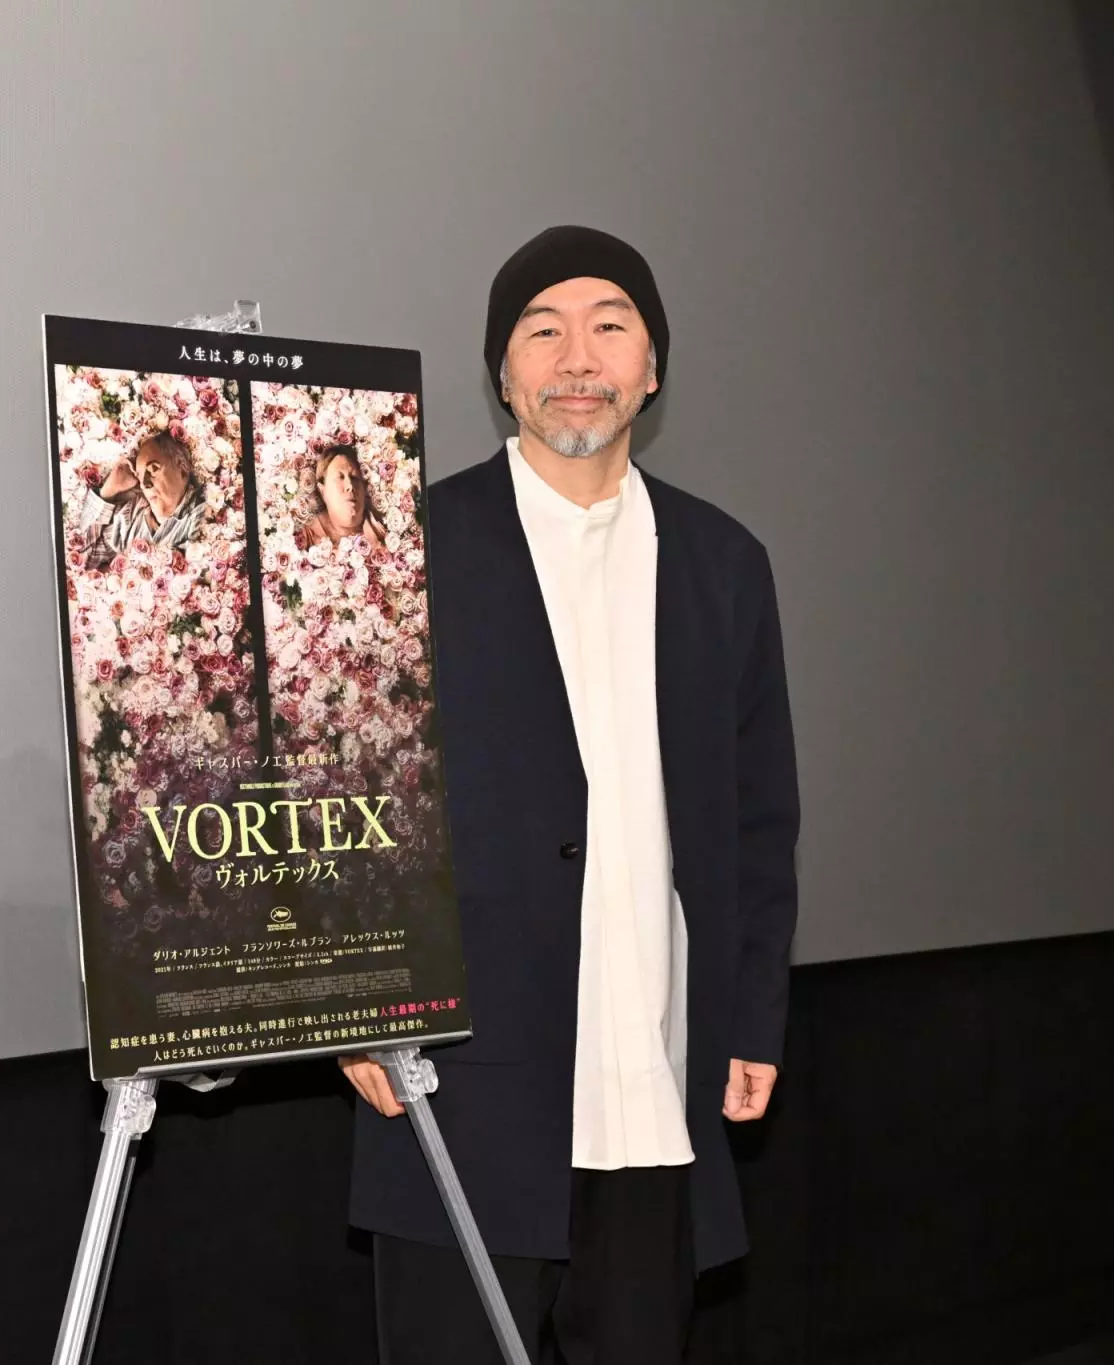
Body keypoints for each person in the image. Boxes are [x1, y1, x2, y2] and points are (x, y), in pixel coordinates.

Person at [341, 225, 800, 1364]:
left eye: (610, 325)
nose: (577, 356)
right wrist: (351, 1008)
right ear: (502, 375)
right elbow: (342, 795)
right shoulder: (405, 549)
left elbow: (760, 818)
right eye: (542, 330)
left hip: (655, 1079)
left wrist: (752, 1014)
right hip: (458, 1084)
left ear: (652, 366)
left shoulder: (723, 563)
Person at [81, 429, 207, 570]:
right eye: (140, 477)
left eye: (153, 469)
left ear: (182, 468)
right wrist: (109, 490)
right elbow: (84, 558)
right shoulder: (130, 516)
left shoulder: (204, 516)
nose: (145, 485)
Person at [294, 444, 387, 552]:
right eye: (340, 477)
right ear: (322, 490)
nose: (350, 486)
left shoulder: (382, 534)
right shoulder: (304, 539)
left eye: (354, 477)